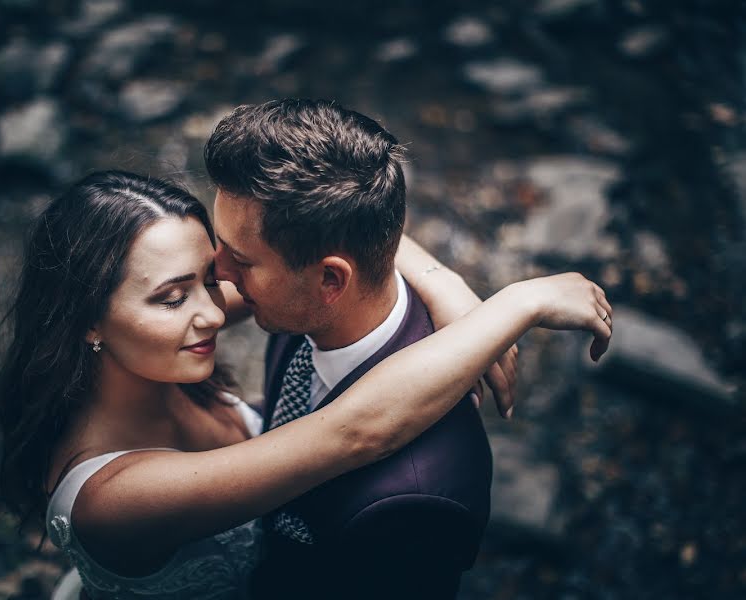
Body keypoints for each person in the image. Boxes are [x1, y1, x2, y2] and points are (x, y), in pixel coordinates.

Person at [0, 170, 611, 600]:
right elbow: (356, 431)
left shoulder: (153, 347)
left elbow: (324, 244)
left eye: (209, 277)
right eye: (170, 297)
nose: (214, 311)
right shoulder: (114, 501)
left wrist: (443, 280)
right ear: (86, 322)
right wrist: (518, 304)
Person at [202, 98, 609, 599]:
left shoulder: (418, 498)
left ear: (330, 279)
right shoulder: (302, 301)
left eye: (239, 259)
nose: (217, 272)